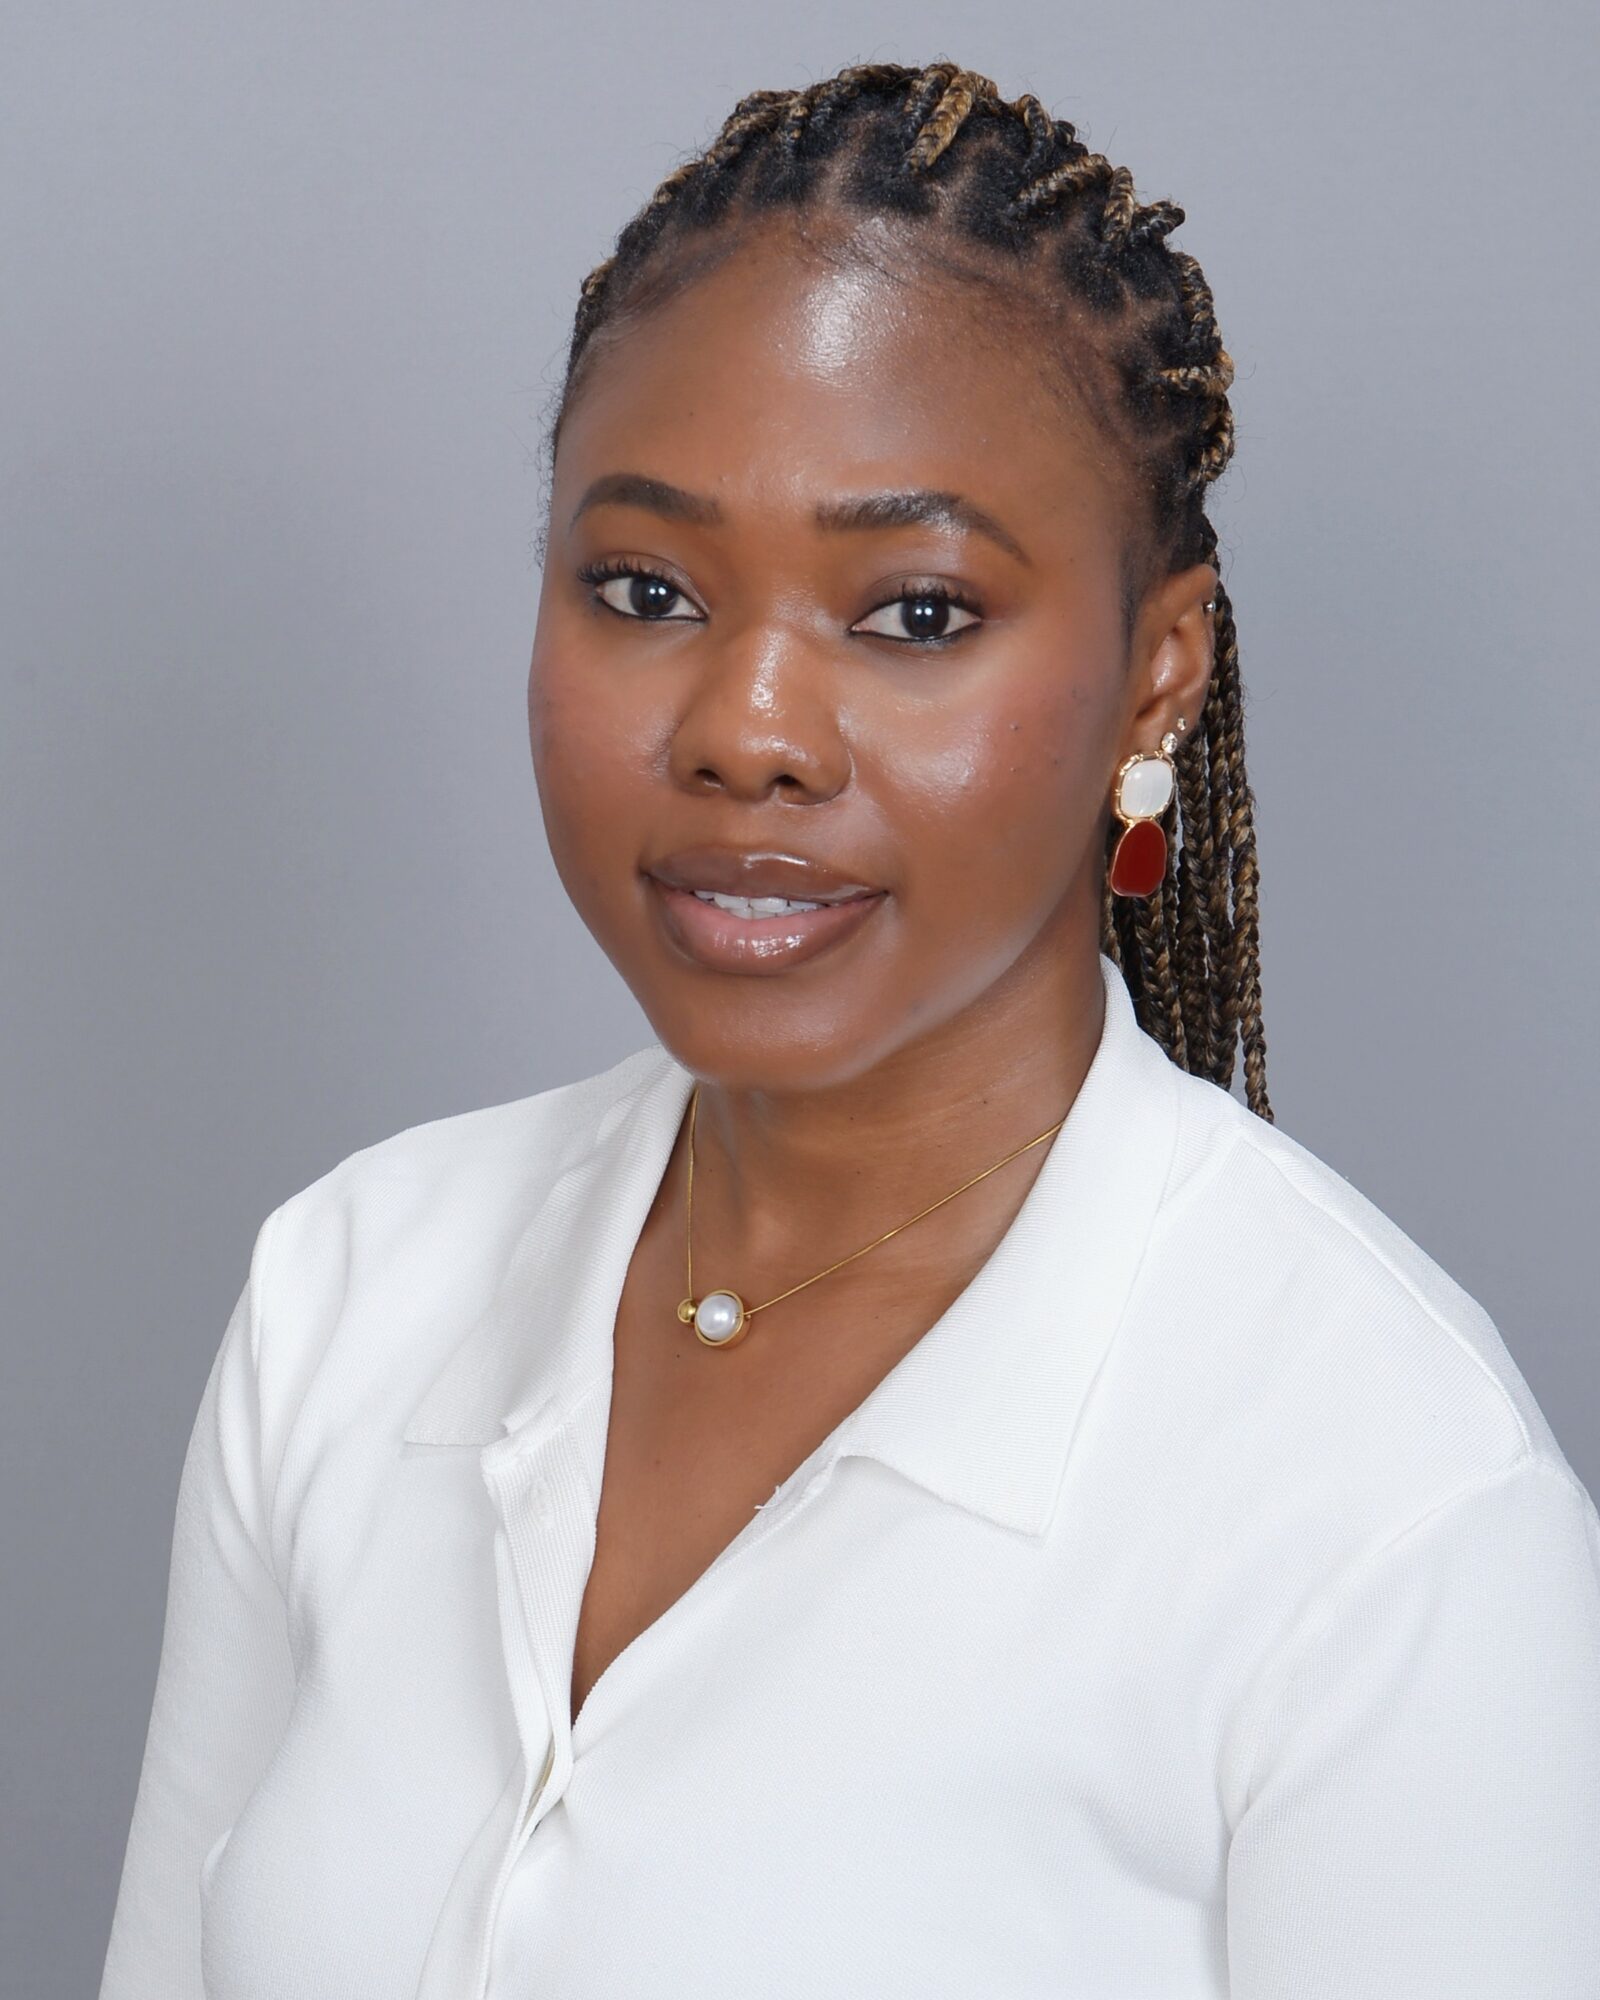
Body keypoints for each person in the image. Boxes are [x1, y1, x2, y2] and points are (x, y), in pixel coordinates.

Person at [99, 60, 1600, 2000]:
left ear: (1157, 673)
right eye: (645, 588)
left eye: (913, 615)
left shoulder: (1384, 1514)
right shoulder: (350, 1292)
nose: (745, 731)